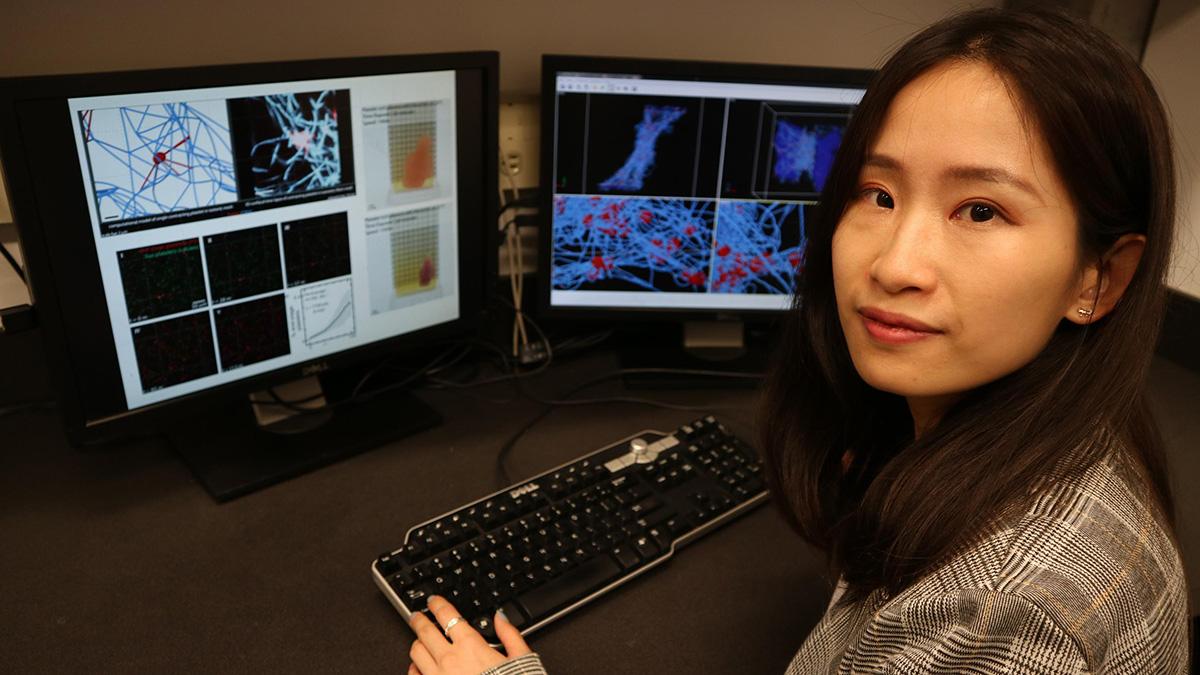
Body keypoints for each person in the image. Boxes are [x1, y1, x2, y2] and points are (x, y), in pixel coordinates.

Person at [404, 7, 1190, 674]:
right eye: (876, 193)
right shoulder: (1069, 442)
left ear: (1100, 279)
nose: (894, 263)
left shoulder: (1000, 619)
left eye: (980, 210)